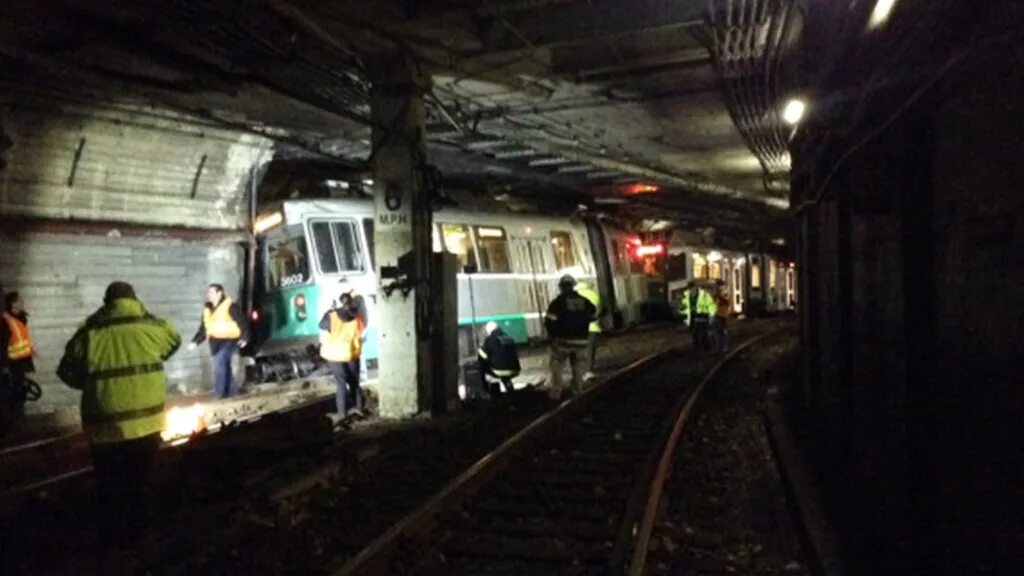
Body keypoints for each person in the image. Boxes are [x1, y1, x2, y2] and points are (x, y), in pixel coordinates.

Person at [56, 281, 181, 562]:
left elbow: (66, 371)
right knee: (140, 482)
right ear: (135, 298)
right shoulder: (154, 326)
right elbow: (174, 341)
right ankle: (138, 539)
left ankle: (112, 541)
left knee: (109, 486)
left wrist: (90, 382)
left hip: (105, 427)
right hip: (148, 424)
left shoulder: (90, 332)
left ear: (106, 302)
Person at [190, 284, 247, 399]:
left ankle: (219, 393)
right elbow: (204, 328)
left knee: (219, 362)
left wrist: (245, 337)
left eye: (211, 292)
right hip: (215, 342)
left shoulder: (230, 306)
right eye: (208, 293)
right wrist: (195, 342)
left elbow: (242, 322)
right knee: (225, 366)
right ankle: (232, 392)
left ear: (219, 293)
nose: (209, 295)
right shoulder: (207, 309)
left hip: (230, 340)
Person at [545, 274, 597, 401]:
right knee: (578, 366)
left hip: (563, 341)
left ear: (561, 287)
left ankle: (556, 392)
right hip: (581, 341)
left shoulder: (558, 302)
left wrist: (552, 336)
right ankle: (577, 391)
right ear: (573, 286)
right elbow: (594, 315)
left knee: (556, 364)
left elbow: (550, 321)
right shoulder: (584, 301)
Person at [320, 292, 364, 424]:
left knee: (341, 384)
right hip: (350, 353)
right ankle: (358, 408)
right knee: (355, 383)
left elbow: (322, 325)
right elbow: (361, 331)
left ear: (340, 302)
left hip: (334, 354)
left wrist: (330, 310)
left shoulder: (332, 315)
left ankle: (342, 413)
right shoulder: (358, 317)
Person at [3, 291, 36, 405]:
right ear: (13, 304)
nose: (22, 303)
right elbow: (4, 342)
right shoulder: (6, 321)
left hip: (21, 360)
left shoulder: (21, 318)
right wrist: (4, 364)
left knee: (20, 389)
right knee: (14, 392)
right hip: (12, 362)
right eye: (19, 301)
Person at [478, 321, 521, 395]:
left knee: (481, 366)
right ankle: (509, 388)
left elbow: (483, 356)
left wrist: (481, 349)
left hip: (499, 371)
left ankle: (486, 390)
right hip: (515, 369)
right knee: (502, 365)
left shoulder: (490, 339)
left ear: (489, 330)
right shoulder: (509, 337)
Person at [574, 281, 603, 381]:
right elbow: (598, 311)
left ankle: (579, 373)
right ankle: (589, 371)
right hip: (593, 327)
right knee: (590, 350)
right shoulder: (594, 294)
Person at [680, 281, 717, 353]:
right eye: (689, 288)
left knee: (703, 335)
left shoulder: (703, 295)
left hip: (703, 318)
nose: (690, 290)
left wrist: (711, 317)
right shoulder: (688, 296)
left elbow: (711, 305)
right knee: (695, 335)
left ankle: (706, 349)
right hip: (694, 319)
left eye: (692, 288)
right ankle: (698, 350)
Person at [712, 279, 733, 354]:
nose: (715, 286)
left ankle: (724, 348)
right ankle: (718, 348)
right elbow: (713, 300)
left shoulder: (725, 292)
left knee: (723, 332)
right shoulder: (717, 292)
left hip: (723, 315)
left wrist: (719, 295)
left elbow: (727, 301)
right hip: (717, 314)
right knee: (717, 333)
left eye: (716, 284)